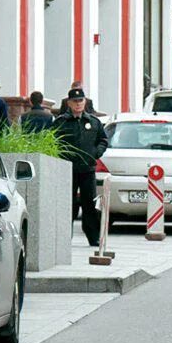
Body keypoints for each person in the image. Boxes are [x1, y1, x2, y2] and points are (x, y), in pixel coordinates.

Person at [53, 88, 109, 246]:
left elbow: (103, 140)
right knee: (68, 204)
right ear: (69, 103)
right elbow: (52, 142)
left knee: (89, 204)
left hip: (87, 169)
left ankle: (93, 237)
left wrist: (96, 153)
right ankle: (64, 238)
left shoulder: (93, 122)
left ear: (85, 102)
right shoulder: (61, 122)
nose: (78, 104)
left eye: (81, 101)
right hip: (67, 170)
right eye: (75, 101)